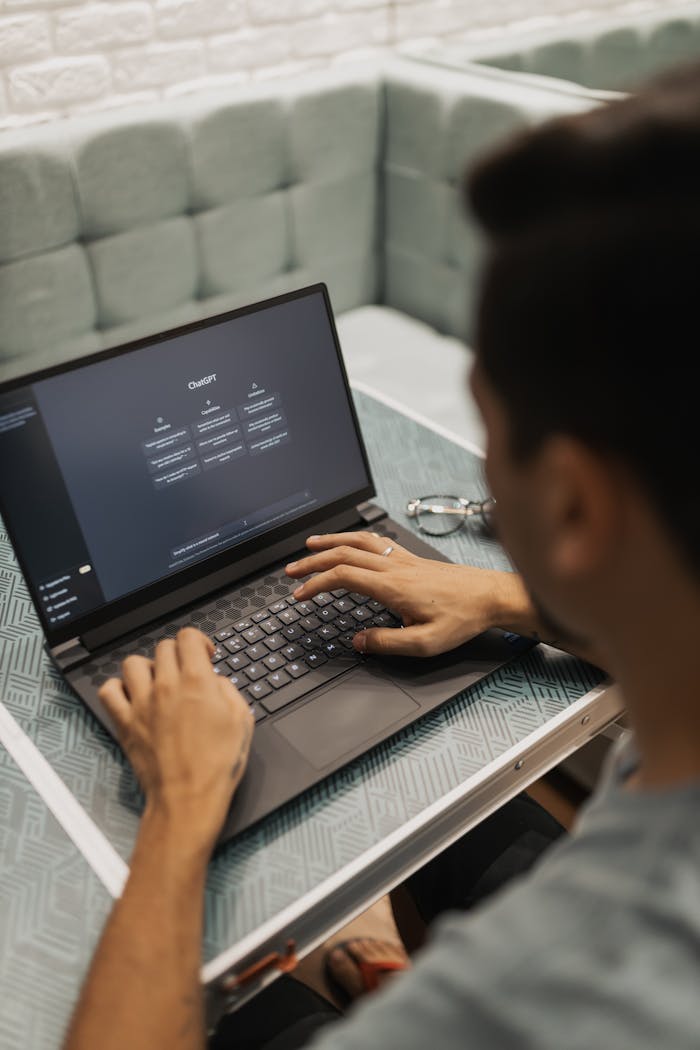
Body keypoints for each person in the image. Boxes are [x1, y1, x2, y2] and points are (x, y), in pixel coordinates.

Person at [63, 60, 700, 1050]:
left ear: (574, 503)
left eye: (487, 416)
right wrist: (502, 597)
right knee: (479, 832)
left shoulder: (557, 989)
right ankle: (380, 962)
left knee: (256, 1003)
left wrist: (183, 812)